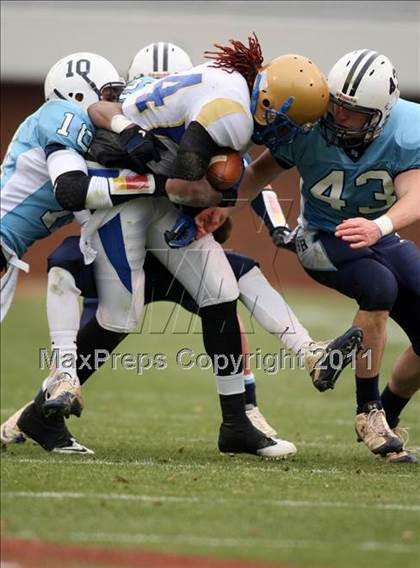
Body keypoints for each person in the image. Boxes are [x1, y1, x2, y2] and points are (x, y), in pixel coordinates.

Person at [2, 41, 361, 456]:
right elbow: (185, 173)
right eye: (286, 122)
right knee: (118, 315)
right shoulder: (233, 114)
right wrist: (217, 191)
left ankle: (239, 422)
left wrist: (220, 199)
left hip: (150, 198)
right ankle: (48, 401)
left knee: (222, 287)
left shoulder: (220, 95)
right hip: (125, 198)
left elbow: (203, 175)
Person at [218, 48, 419, 463]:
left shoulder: (406, 130)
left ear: (380, 115)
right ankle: (368, 411)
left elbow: (415, 194)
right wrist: (214, 209)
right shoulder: (310, 124)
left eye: (353, 112)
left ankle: (389, 416)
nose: (339, 117)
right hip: (320, 237)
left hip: (375, 234)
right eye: (337, 106)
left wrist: (379, 226)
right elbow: (257, 174)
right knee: (379, 287)